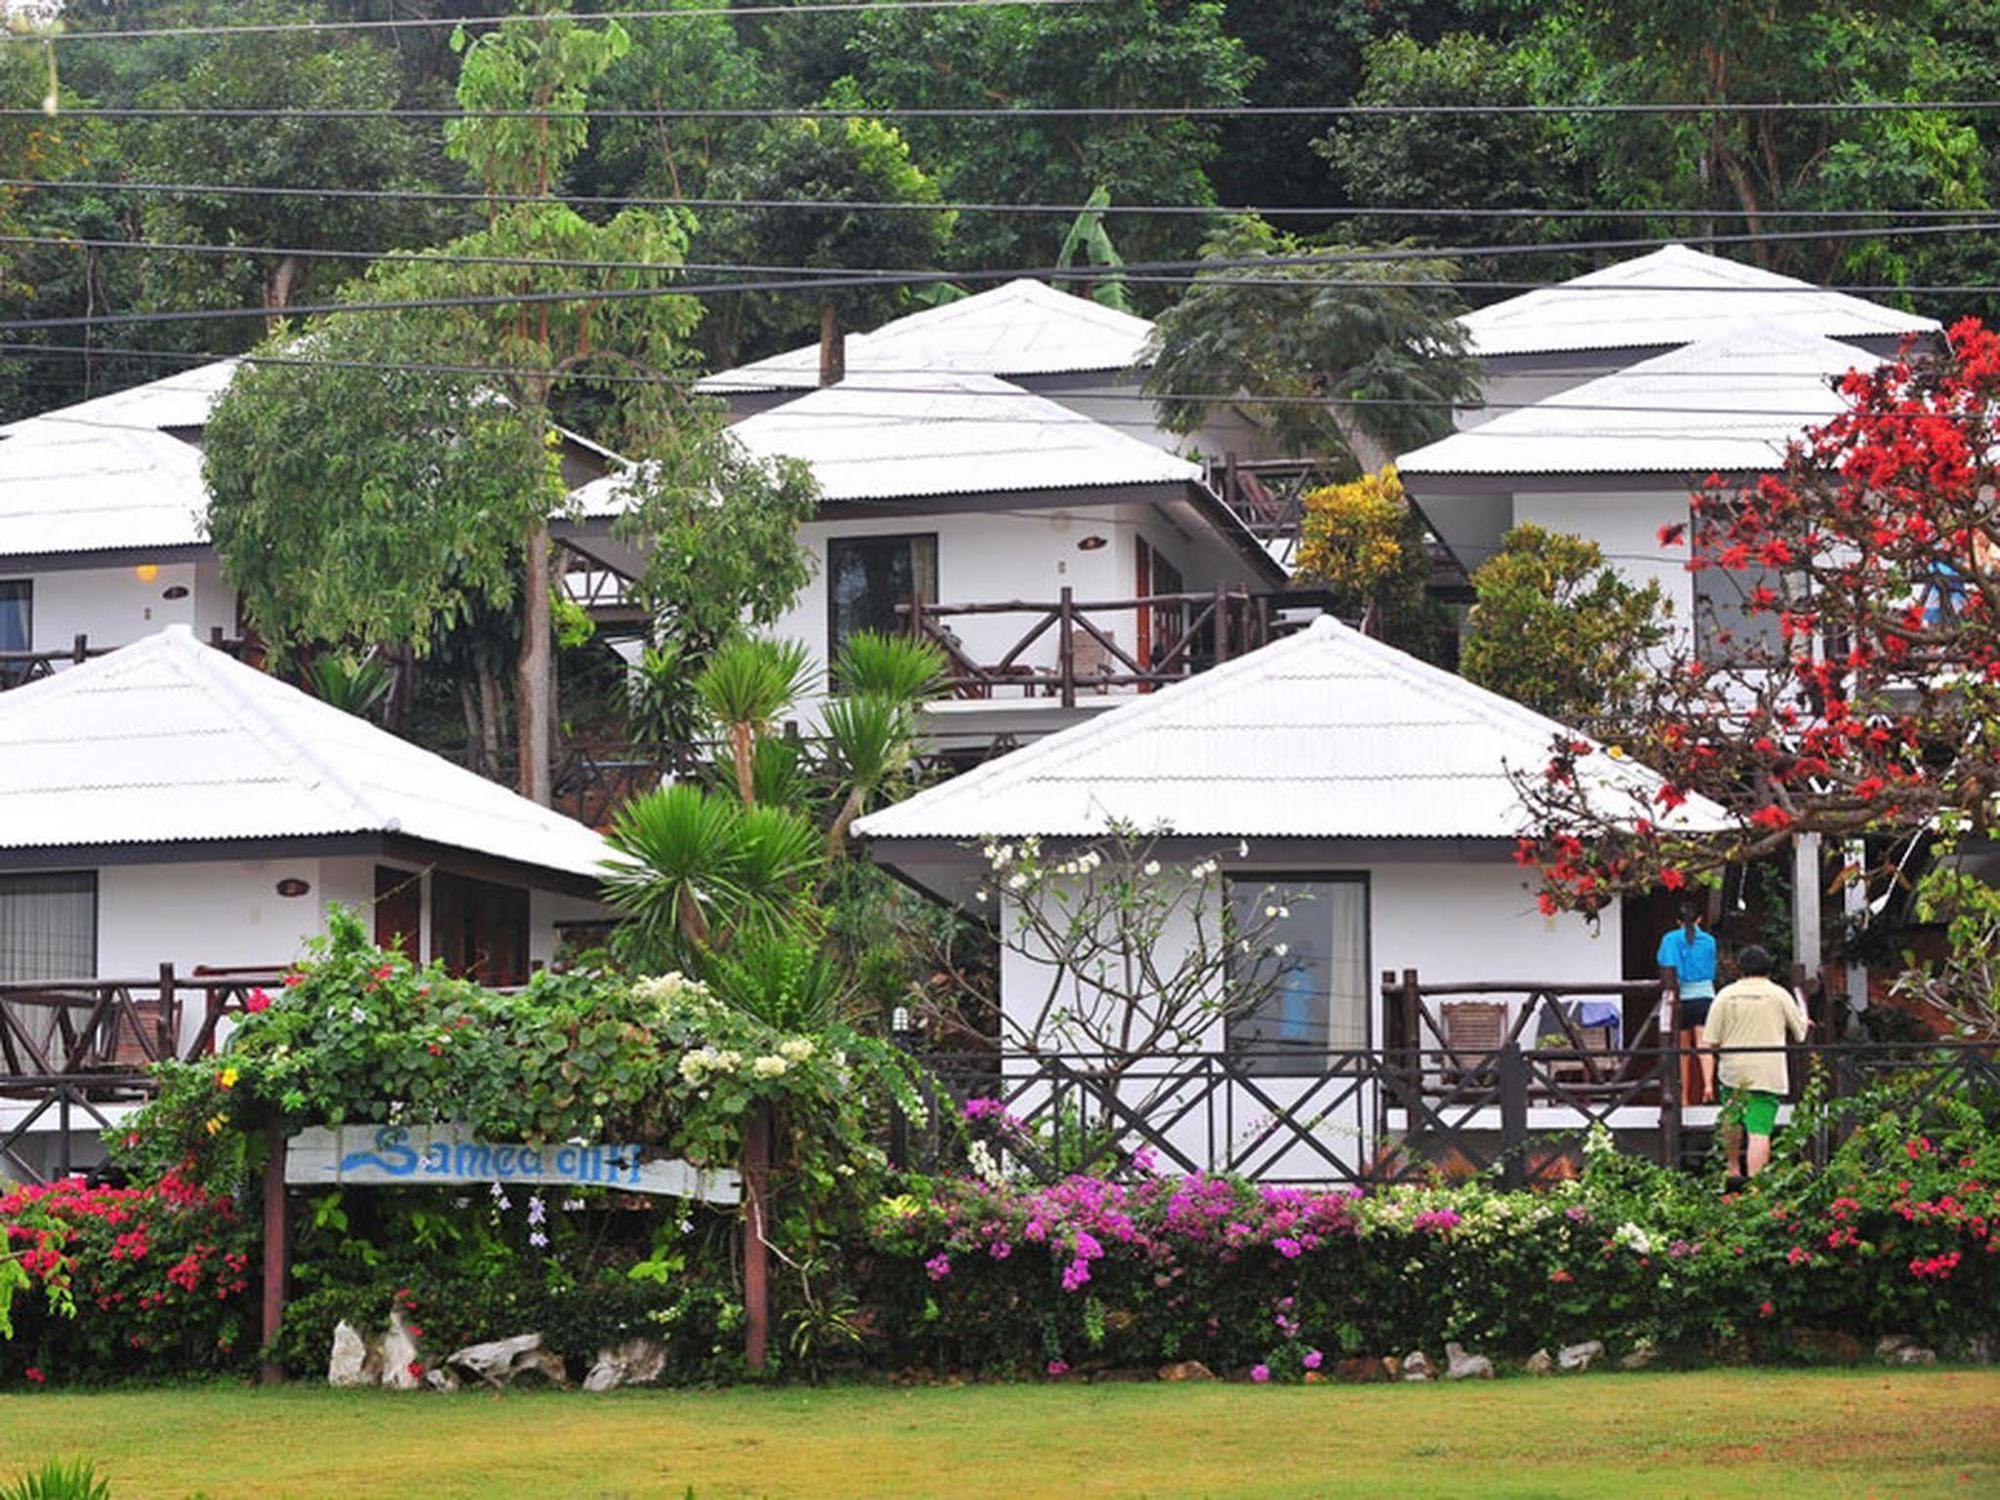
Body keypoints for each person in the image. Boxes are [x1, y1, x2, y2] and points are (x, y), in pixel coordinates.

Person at [1706, 944, 1810, 1181]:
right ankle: (1756, 1182)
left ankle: (1732, 1169)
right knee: (1759, 1131)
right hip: (1767, 1072)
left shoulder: (1725, 995)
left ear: (1740, 968)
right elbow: (1800, 1032)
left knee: (1732, 1119)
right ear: (1768, 968)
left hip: (1733, 1070)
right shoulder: (1780, 994)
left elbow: (1711, 1040)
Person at [1656, 901, 1720, 1103]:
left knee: (1683, 1051)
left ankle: (1683, 1097)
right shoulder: (1709, 941)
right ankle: (1708, 1085)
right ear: (1699, 919)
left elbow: (1665, 963)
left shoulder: (1670, 939)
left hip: (1681, 997)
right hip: (1705, 996)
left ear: (1678, 921)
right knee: (1704, 1046)